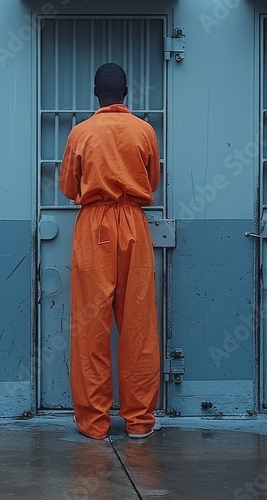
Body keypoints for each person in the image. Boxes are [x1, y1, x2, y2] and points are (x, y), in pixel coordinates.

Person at [58, 63, 161, 440]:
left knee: (90, 327)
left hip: (93, 223)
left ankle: (94, 423)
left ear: (95, 93)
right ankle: (139, 421)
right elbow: (152, 181)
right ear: (127, 91)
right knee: (138, 325)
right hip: (134, 222)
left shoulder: (81, 133)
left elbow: (69, 186)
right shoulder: (144, 130)